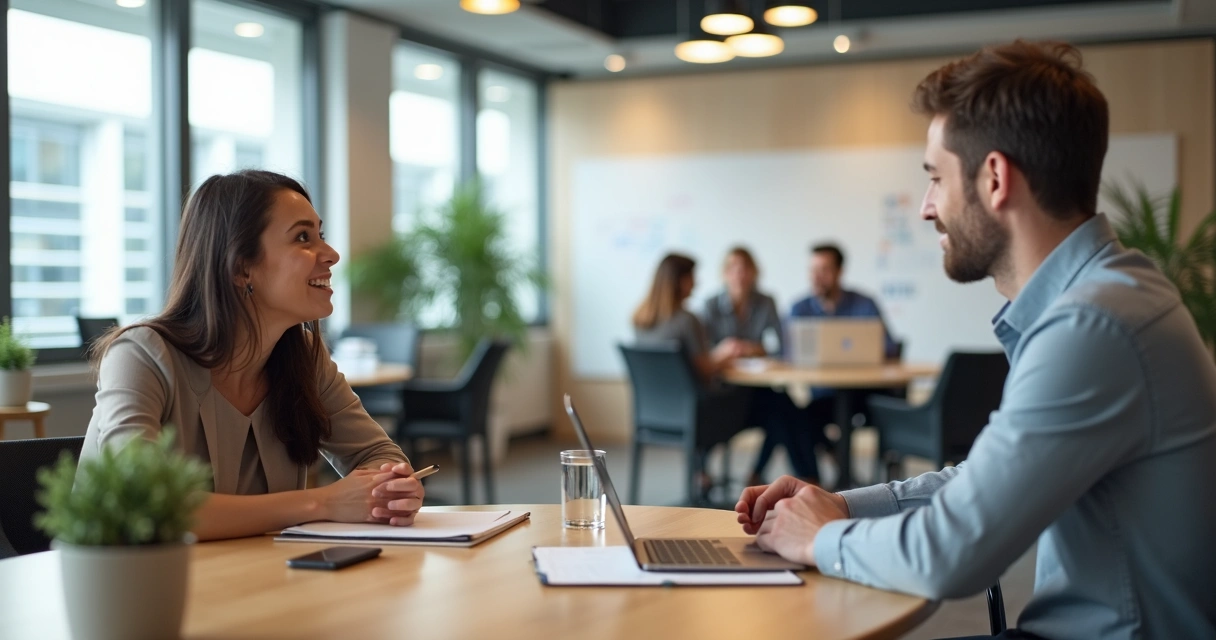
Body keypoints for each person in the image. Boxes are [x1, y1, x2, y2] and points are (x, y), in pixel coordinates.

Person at [736, 41, 1216, 639]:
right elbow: (983, 483)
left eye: (936, 178)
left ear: (994, 178)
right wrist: (843, 505)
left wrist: (821, 537)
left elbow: (950, 555)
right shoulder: (1110, 295)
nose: (926, 208)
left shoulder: (1094, 327)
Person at [81, 170, 426, 542]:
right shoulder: (140, 356)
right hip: (131, 578)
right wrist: (322, 502)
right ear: (240, 267)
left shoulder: (305, 357)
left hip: (251, 572)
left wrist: (392, 488)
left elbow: (379, 455)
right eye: (303, 237)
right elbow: (143, 501)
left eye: (320, 235)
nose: (331, 255)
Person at [632, 253, 750, 501]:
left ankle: (702, 474)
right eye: (692, 277)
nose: (696, 283)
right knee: (771, 402)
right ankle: (781, 478)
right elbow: (705, 371)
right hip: (697, 417)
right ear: (680, 281)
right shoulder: (687, 320)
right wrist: (724, 355)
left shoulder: (640, 320)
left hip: (654, 414)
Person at [701, 247, 815, 486]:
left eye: (745, 268)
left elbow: (783, 346)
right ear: (724, 273)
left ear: (754, 272)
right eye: (733, 268)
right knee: (782, 408)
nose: (739, 274)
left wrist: (756, 349)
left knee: (785, 407)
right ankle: (806, 476)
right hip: (723, 389)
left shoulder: (766, 302)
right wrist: (724, 350)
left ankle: (768, 473)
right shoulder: (710, 305)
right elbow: (703, 353)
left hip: (756, 387)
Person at [790, 243, 899, 359]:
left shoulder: (865, 305)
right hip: (811, 371)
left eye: (824, 270)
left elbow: (889, 348)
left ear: (839, 271)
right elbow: (786, 353)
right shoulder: (799, 309)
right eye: (813, 270)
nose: (816, 277)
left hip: (858, 370)